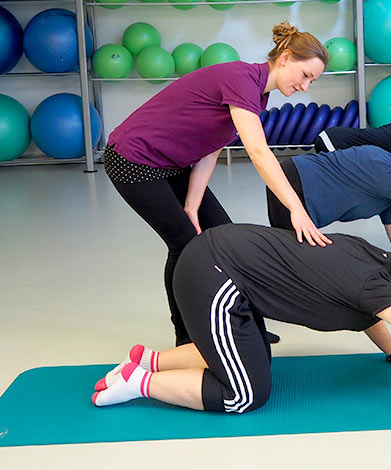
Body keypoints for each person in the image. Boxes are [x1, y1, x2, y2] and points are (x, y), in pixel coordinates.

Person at [91, 224, 391, 413]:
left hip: (222, 257)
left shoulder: (374, 261)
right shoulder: (374, 288)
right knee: (245, 394)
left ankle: (151, 360)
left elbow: (367, 310)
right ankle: (141, 382)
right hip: (215, 276)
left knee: (252, 351)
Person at [104, 22, 331, 346]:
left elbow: (212, 147)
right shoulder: (241, 79)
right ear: (286, 58)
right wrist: (295, 208)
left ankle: (247, 325)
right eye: (306, 75)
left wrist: (193, 205)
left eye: (312, 80)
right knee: (184, 243)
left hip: (171, 162)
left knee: (226, 236)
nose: (306, 86)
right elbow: (257, 152)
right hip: (133, 158)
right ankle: (185, 338)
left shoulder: (257, 94)